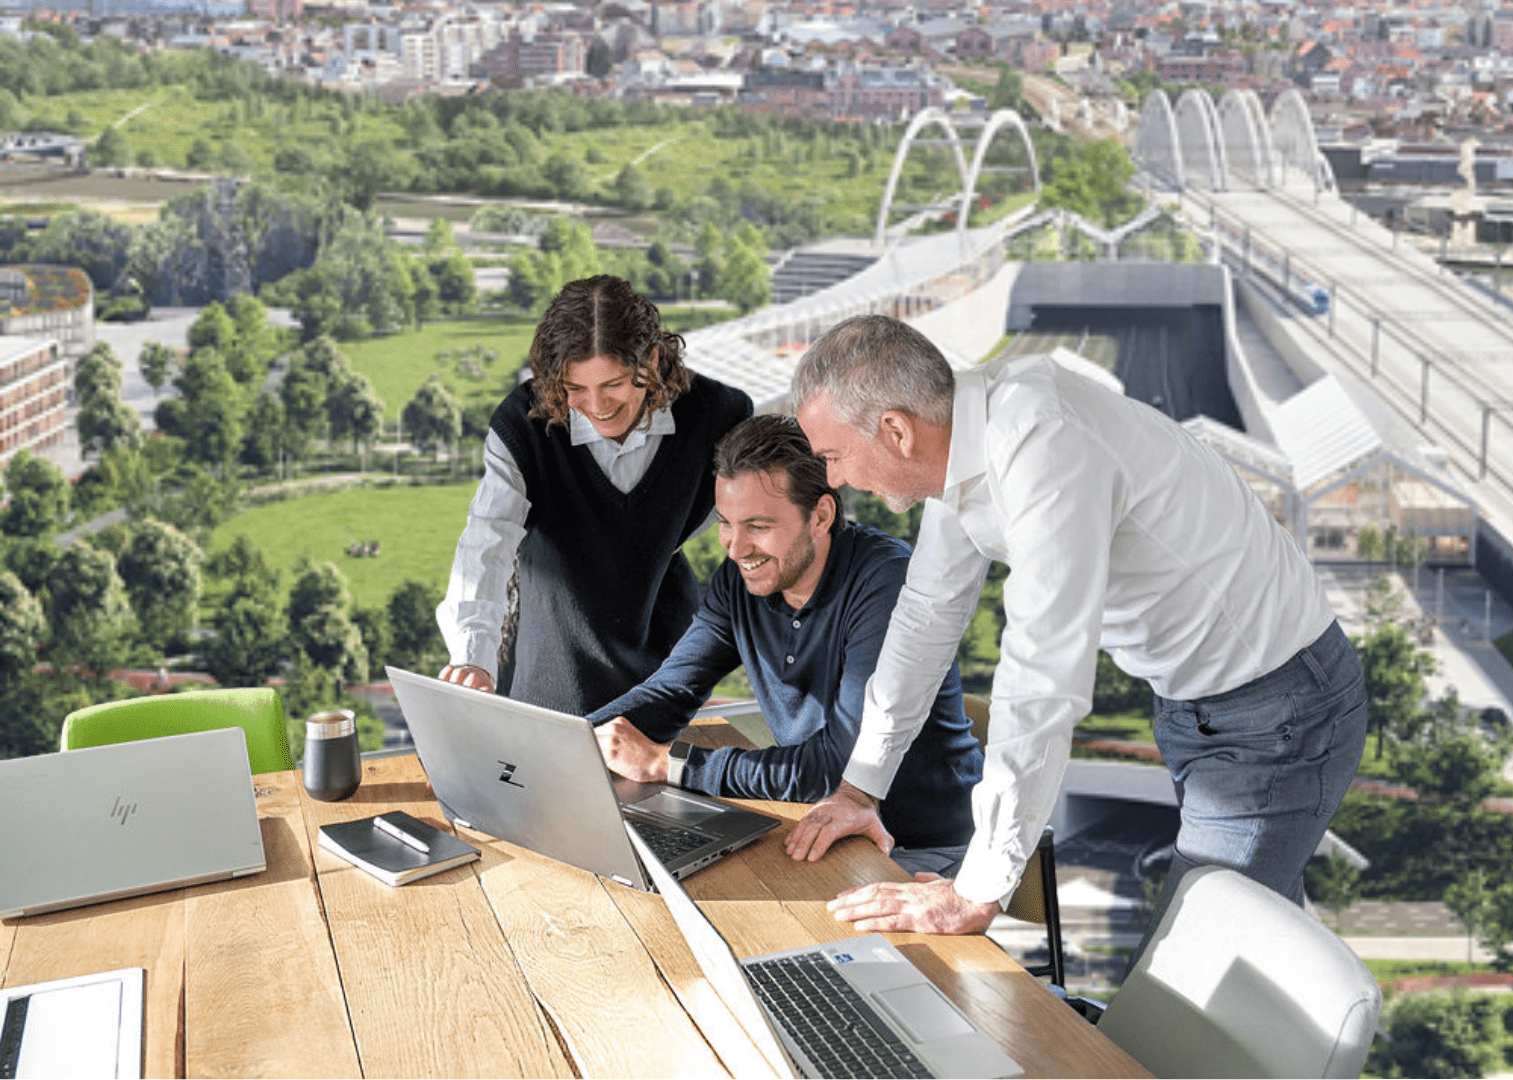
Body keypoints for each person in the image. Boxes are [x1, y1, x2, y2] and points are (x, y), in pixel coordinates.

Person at [784, 315, 1368, 936]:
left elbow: (1040, 678)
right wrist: (859, 789)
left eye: (833, 456)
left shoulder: (1046, 444)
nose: (836, 480)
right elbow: (928, 614)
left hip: (1277, 713)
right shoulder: (966, 443)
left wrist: (976, 892)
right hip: (1199, 704)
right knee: (1260, 951)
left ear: (896, 430)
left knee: (1195, 965)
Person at [585, 415, 983, 875]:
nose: (736, 549)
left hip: (922, 848)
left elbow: (840, 766)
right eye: (726, 524)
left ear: (821, 516)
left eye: (757, 525)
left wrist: (668, 765)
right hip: (819, 823)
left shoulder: (888, 585)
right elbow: (672, 691)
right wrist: (575, 741)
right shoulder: (741, 580)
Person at [437, 275, 753, 714]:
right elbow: (487, 541)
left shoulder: (720, 416)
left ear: (652, 359)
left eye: (613, 384)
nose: (596, 404)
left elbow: (763, 522)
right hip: (550, 672)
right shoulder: (524, 427)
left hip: (668, 673)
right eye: (575, 389)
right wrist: (473, 657)